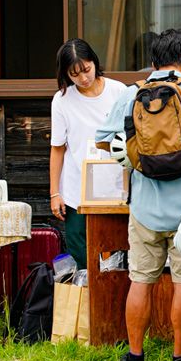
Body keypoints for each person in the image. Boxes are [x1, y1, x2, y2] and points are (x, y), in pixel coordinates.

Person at [96, 29, 181, 361]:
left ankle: (136, 359)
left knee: (141, 280)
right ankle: (180, 360)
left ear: (152, 63)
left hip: (145, 210)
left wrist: (138, 160)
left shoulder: (132, 95)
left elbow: (105, 143)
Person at [49, 39, 125, 270]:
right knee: (77, 241)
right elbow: (57, 148)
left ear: (94, 62)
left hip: (114, 182)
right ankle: (90, 291)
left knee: (116, 241)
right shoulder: (62, 100)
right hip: (76, 186)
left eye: (87, 69)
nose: (83, 78)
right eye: (75, 74)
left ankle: (111, 293)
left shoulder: (118, 91)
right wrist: (55, 193)